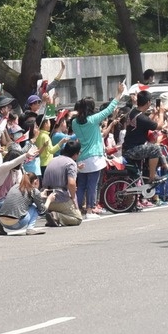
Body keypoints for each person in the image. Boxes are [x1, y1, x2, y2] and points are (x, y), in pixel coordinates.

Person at [69, 82, 126, 217]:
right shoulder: (93, 120)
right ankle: (90, 210)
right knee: (92, 185)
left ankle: (76, 210)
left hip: (81, 156)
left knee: (81, 185)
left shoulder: (74, 122)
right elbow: (109, 109)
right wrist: (119, 93)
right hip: (94, 157)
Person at [0, 170, 52, 236]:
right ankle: (30, 229)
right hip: (17, 223)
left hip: (3, 221)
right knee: (34, 206)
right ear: (36, 181)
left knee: (15, 205)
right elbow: (42, 211)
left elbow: (24, 198)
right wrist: (49, 200)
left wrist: (39, 195)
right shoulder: (34, 191)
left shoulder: (14, 187)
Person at [41, 139, 82, 226]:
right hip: (60, 197)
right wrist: (73, 198)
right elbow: (71, 183)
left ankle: (54, 215)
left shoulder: (53, 160)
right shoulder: (71, 163)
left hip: (46, 198)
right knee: (77, 218)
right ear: (75, 154)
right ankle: (57, 216)